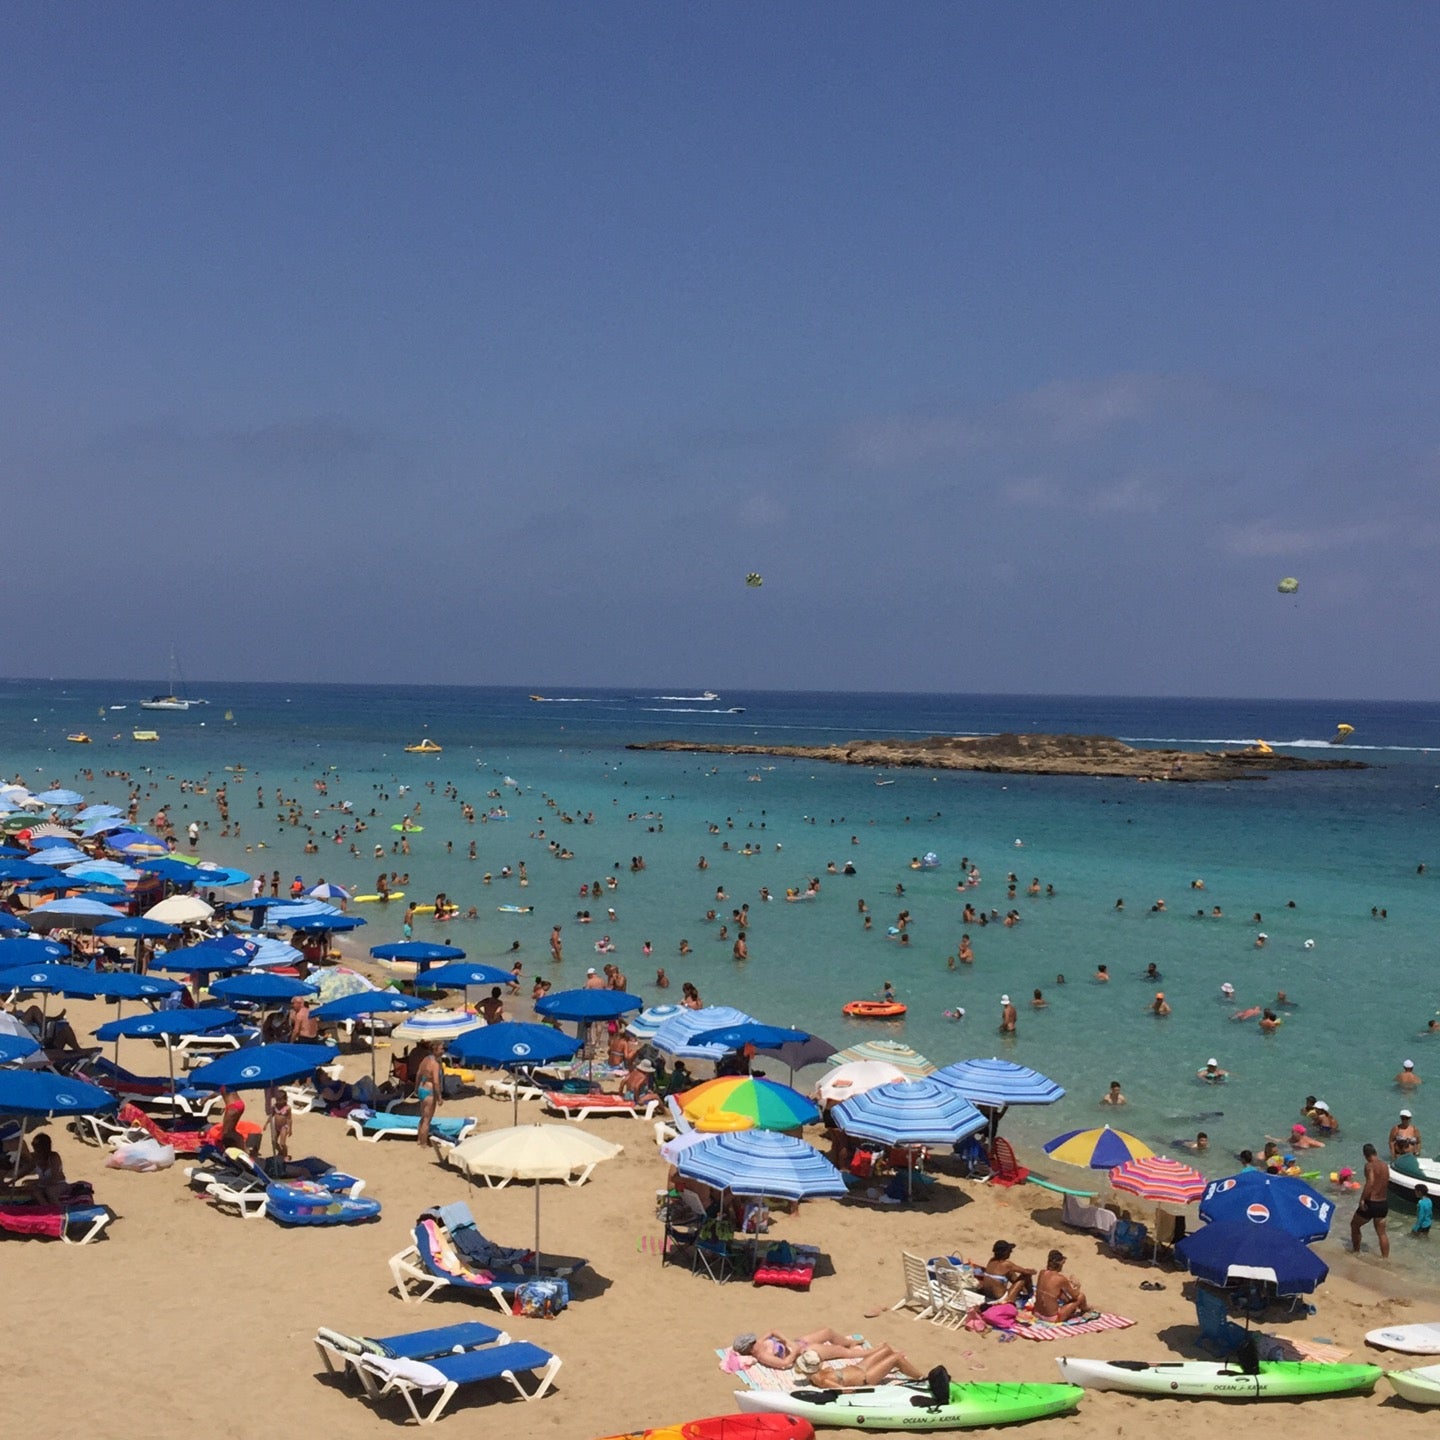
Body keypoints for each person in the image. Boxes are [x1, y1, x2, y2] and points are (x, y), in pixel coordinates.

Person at [733, 1328, 873, 1370]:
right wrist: (795, 1350)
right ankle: (873, 1352)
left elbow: (772, 1331)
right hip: (801, 1353)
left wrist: (787, 1341)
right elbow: (785, 1363)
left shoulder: (760, 1343)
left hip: (797, 1344)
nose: (756, 1340)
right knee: (840, 1351)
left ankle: (849, 1343)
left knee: (828, 1332)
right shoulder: (764, 1356)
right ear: (751, 1349)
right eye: (753, 1342)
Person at [795, 1344, 924, 1388]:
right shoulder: (823, 1380)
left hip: (859, 1367)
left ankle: (903, 1368)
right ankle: (922, 1378)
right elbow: (843, 1390)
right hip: (866, 1377)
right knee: (896, 1358)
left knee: (886, 1349)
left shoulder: (815, 1375)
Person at [1351, 1142, 1391, 1258]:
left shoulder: (1369, 1165)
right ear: (1375, 1153)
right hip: (1383, 1203)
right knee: (1382, 1233)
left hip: (1371, 1202)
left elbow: (1371, 1182)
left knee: (1354, 1225)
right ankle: (1385, 1259)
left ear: (1365, 1155)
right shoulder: (1385, 1165)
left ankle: (1356, 1252)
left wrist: (1362, 1199)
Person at [1034, 1250, 1089, 1323]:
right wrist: (1077, 1285)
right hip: (1051, 1318)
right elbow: (1075, 1296)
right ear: (1060, 1264)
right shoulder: (1061, 1279)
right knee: (1081, 1296)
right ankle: (1086, 1310)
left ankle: (1083, 1309)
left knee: (1060, 1294)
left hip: (1036, 1313)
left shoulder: (1042, 1273)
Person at [414, 1041, 443, 1147]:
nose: (443, 1050)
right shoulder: (435, 1064)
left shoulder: (425, 1059)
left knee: (423, 1116)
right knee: (427, 1119)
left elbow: (418, 1074)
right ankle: (423, 1143)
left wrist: (416, 1088)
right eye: (441, 1049)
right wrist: (439, 1096)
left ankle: (419, 1139)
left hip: (422, 1088)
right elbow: (436, 1081)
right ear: (435, 1050)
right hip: (430, 1092)